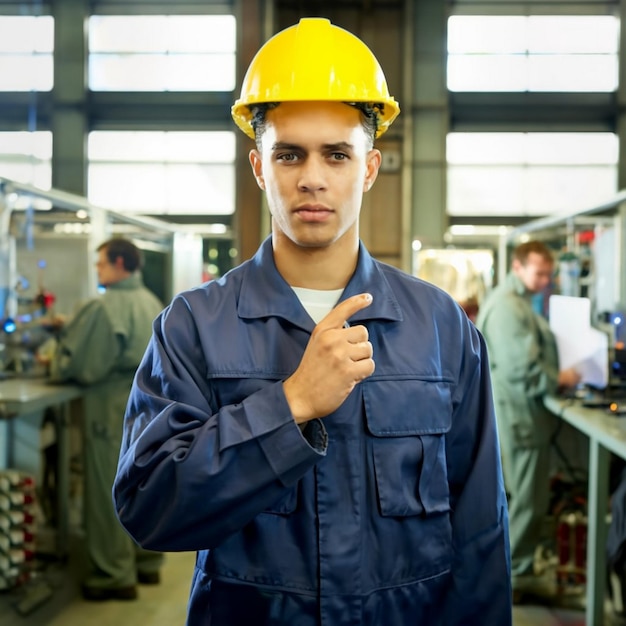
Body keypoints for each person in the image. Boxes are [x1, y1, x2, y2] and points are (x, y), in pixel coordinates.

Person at [113, 18, 512, 625]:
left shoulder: (440, 329)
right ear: (258, 166)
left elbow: (481, 531)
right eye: (289, 153)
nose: (313, 178)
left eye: (337, 154)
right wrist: (290, 405)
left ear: (371, 168)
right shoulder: (193, 326)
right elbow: (149, 507)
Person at [40, 237, 165, 601]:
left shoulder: (105, 307)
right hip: (146, 410)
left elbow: (85, 367)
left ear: (120, 263)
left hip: (109, 410)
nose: (97, 269)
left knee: (107, 492)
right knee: (144, 486)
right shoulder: (152, 302)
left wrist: (58, 360)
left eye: (101, 263)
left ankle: (112, 575)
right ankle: (146, 563)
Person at [476, 240, 581, 603]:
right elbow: (522, 369)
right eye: (539, 273)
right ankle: (517, 575)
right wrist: (559, 378)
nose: (545, 280)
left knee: (524, 496)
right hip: (520, 415)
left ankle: (515, 570)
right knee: (527, 499)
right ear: (517, 268)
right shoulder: (508, 308)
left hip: (522, 414)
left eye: (548, 274)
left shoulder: (519, 302)